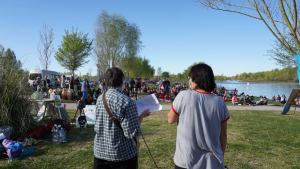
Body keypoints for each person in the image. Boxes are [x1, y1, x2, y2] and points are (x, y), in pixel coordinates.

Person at [168, 63, 229, 169]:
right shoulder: (220, 102)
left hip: (185, 161)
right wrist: (221, 156)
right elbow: (223, 135)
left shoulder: (183, 95)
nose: (189, 80)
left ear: (195, 79)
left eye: (190, 77)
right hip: (212, 162)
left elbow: (170, 119)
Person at [94, 67, 150, 169]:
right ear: (122, 80)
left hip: (100, 153)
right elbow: (131, 133)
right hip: (121, 156)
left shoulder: (99, 98)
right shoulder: (127, 102)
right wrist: (141, 116)